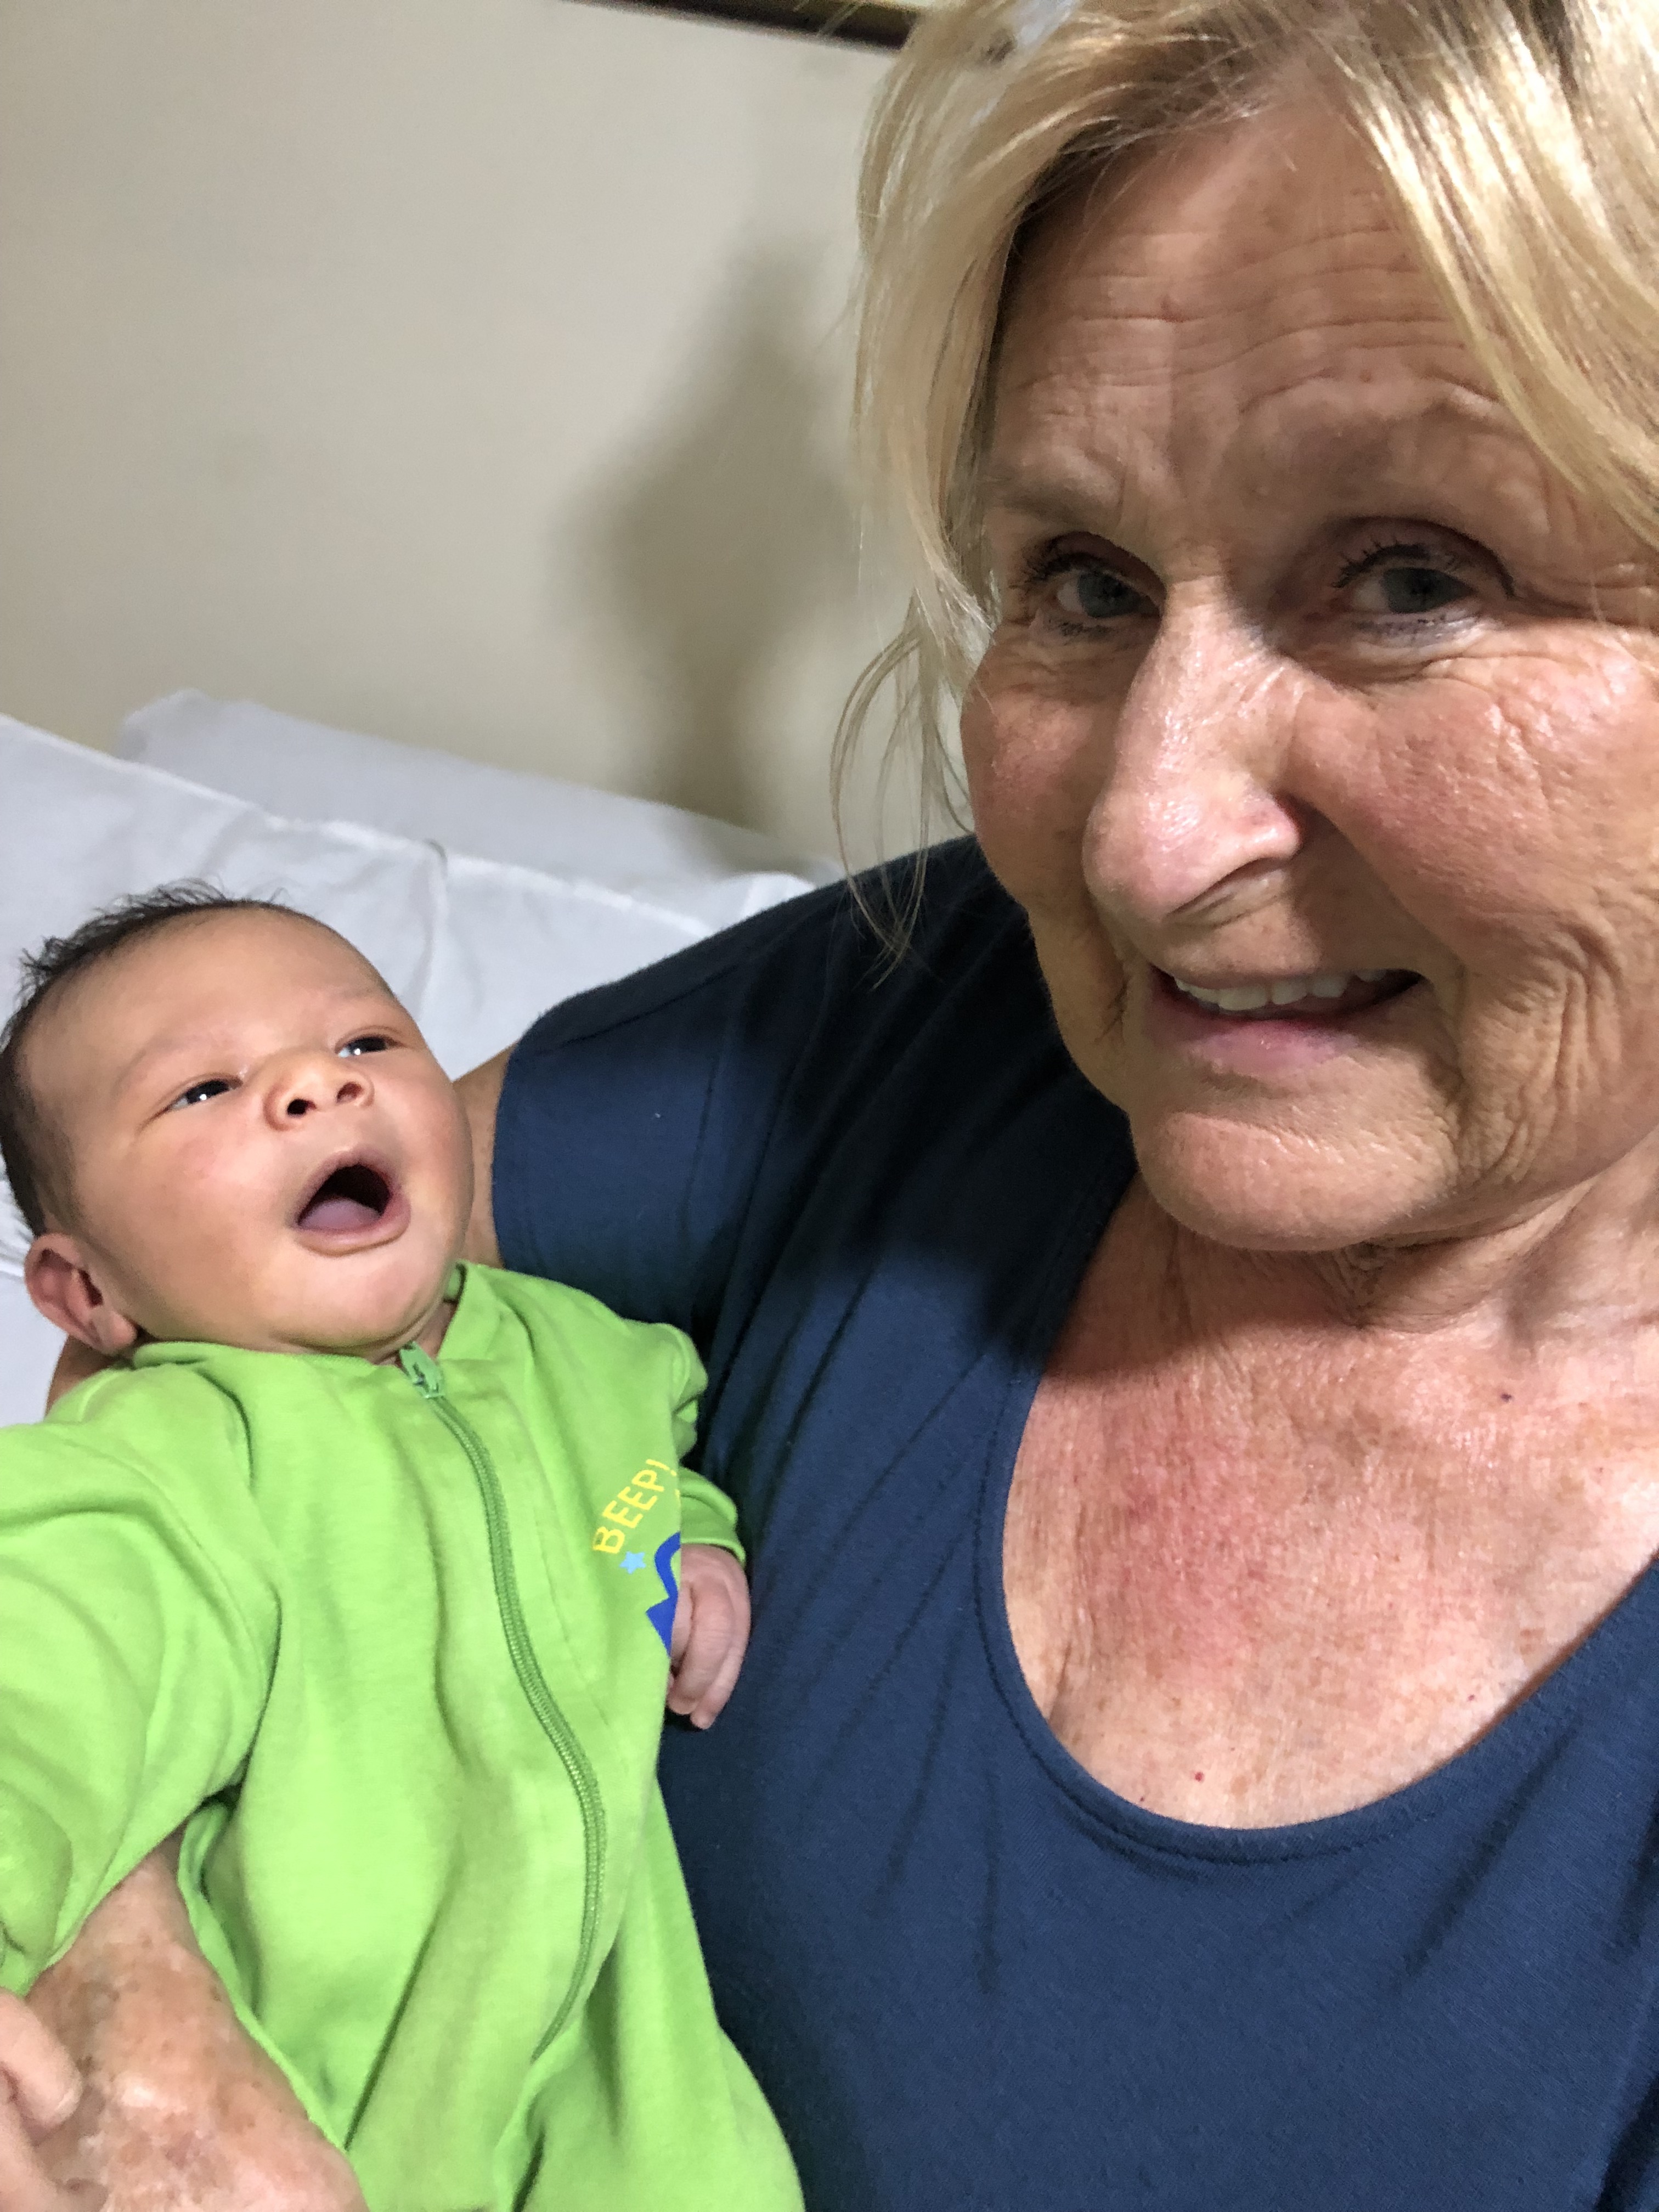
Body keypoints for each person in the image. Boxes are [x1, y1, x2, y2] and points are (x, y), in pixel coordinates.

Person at [12, 0, 1659, 2203]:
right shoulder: (915, 1011)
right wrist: (110, 1948)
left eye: (1414, 579)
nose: (1138, 841)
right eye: (1080, 582)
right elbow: (200, 1313)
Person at [0, 887, 800, 2212]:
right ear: (87, 1293)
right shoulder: (170, 1463)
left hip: (628, 2077)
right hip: (323, 2101)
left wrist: (687, 1540)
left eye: (366, 1043)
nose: (318, 1085)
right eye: (205, 1089)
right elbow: (37, 1678)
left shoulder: (584, 1348)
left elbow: (654, 1451)